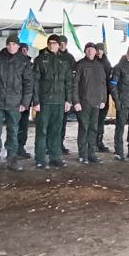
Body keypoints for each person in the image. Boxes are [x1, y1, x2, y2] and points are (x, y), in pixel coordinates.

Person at [0, 35, 34, 172]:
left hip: (15, 103)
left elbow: (28, 83)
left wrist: (25, 102)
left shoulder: (24, 61)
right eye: (9, 44)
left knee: (13, 131)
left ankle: (12, 158)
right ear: (6, 45)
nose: (11, 47)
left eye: (14, 44)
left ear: (18, 46)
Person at [32, 34, 74, 168]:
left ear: (59, 44)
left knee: (56, 131)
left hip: (59, 101)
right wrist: (35, 101)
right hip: (44, 101)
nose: (51, 45)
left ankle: (55, 157)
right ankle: (40, 159)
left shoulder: (64, 61)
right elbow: (35, 82)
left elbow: (69, 82)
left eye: (54, 43)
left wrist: (68, 100)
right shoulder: (40, 60)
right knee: (42, 131)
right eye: (49, 43)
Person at [72, 42, 109, 163]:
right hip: (83, 103)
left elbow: (103, 83)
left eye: (92, 49)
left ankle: (91, 153)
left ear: (95, 52)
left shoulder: (99, 65)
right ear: (85, 51)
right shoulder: (79, 65)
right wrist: (76, 101)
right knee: (84, 128)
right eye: (87, 49)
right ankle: (82, 154)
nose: (90, 51)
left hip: (96, 103)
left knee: (93, 128)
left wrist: (103, 99)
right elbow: (74, 84)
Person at [15, 42, 34, 160]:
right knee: (13, 125)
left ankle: (20, 147)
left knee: (23, 125)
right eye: (21, 49)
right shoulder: (12, 63)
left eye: (25, 49)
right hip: (13, 100)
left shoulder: (31, 65)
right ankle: (12, 149)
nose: (23, 51)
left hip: (26, 100)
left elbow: (32, 83)